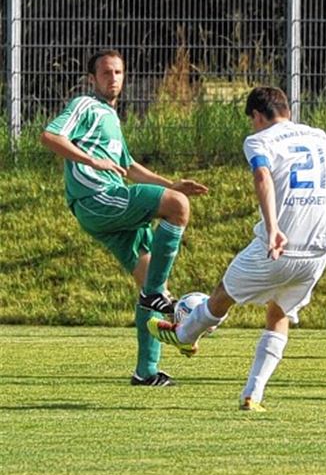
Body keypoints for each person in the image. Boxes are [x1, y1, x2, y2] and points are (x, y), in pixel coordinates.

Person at [148, 86, 326, 410]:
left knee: (222, 295)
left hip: (279, 245)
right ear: (287, 110)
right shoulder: (319, 136)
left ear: (257, 116)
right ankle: (252, 395)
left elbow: (262, 176)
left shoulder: (259, 140)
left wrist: (273, 229)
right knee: (278, 313)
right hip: (319, 250)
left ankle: (185, 335)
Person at [41, 49, 209, 386]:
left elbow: (129, 167)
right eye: (106, 72)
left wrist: (170, 185)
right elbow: (50, 136)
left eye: (118, 72)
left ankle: (146, 372)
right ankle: (162, 302)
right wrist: (92, 161)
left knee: (152, 283)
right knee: (177, 207)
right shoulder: (85, 105)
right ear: (92, 78)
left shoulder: (112, 118)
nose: (113, 78)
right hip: (97, 197)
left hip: (106, 208)